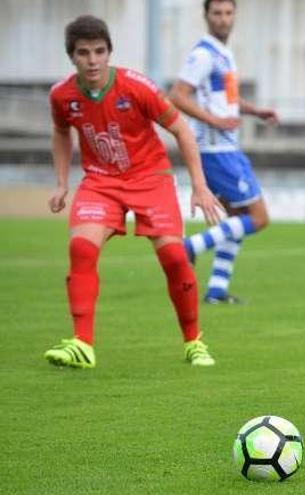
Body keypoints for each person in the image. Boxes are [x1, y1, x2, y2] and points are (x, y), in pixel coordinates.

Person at [44, 15, 224, 368]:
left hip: (150, 179)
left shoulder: (137, 87)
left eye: (99, 51)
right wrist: (62, 182)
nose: (92, 60)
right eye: (83, 53)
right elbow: (61, 132)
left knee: (174, 258)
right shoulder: (62, 95)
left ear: (110, 53)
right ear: (72, 57)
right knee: (81, 247)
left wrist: (200, 187)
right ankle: (82, 343)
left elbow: (183, 131)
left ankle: (194, 342)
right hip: (100, 181)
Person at [169, 0, 278, 304]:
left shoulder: (223, 53)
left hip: (226, 146)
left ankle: (217, 290)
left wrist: (255, 111)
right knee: (259, 218)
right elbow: (177, 95)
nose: (223, 19)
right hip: (215, 149)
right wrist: (214, 120)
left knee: (237, 218)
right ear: (206, 16)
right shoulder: (203, 54)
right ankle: (189, 248)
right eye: (217, 13)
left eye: (228, 13)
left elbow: (227, 99)